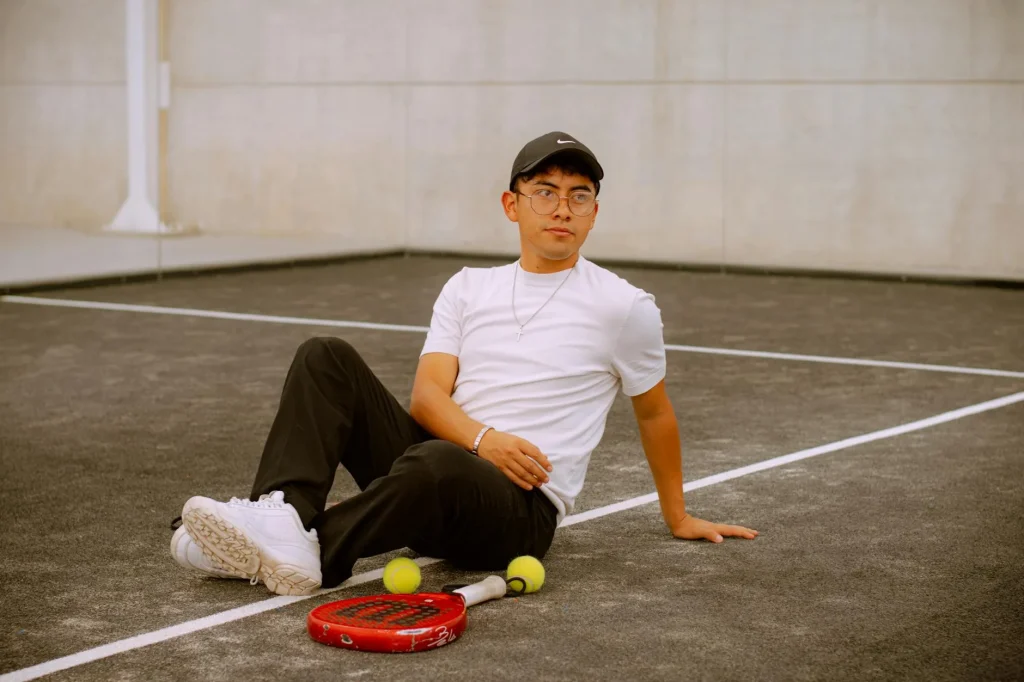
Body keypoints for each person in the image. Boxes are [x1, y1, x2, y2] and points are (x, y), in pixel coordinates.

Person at [171, 131, 758, 596]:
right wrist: (486, 440)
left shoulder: (624, 307)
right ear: (512, 204)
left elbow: (654, 414)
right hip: (443, 459)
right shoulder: (468, 286)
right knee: (325, 357)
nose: (563, 208)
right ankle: (280, 519)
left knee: (435, 461)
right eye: (545, 191)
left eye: (579, 195)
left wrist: (678, 516)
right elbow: (427, 398)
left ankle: (309, 552)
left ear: (594, 212)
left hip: (517, 512)